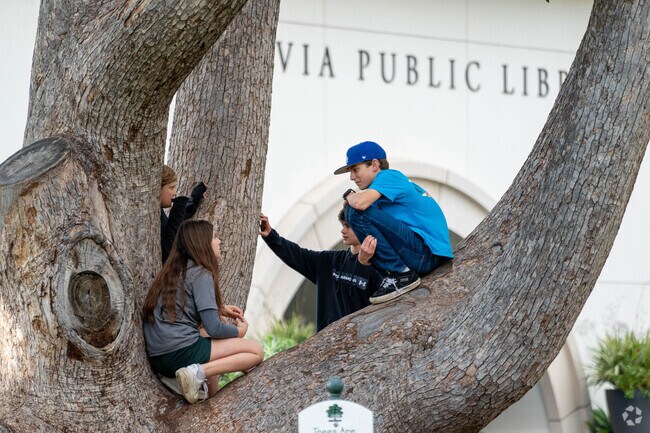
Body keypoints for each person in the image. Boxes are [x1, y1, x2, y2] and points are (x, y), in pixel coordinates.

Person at [143, 219, 264, 404]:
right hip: (179, 353)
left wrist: (220, 309)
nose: (219, 241)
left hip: (159, 358)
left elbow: (184, 308)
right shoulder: (201, 273)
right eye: (215, 237)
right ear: (202, 243)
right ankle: (196, 373)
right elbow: (215, 328)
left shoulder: (173, 272)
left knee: (206, 332)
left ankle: (211, 396)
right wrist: (239, 332)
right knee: (256, 352)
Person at [334, 141, 453, 304]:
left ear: (374, 164)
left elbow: (359, 204)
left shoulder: (389, 176)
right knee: (354, 211)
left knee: (354, 210)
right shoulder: (378, 196)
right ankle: (397, 276)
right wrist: (364, 260)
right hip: (419, 256)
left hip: (426, 253)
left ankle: (402, 274)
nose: (352, 177)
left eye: (355, 169)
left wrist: (349, 195)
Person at [259, 206, 381, 331]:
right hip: (326, 343)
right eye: (343, 225)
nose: (343, 231)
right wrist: (270, 236)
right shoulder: (329, 261)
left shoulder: (380, 268)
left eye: (348, 226)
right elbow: (297, 254)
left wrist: (365, 263)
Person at [160, 164, 207, 263]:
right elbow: (167, 253)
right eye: (171, 187)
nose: (175, 193)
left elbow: (180, 220)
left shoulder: (159, 213)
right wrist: (177, 209)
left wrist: (196, 196)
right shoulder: (155, 217)